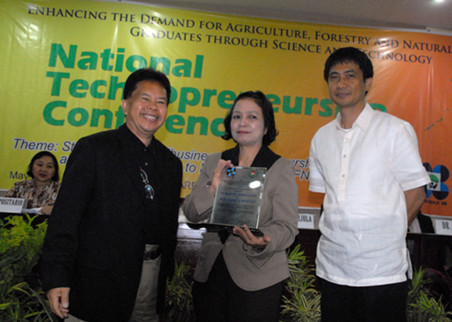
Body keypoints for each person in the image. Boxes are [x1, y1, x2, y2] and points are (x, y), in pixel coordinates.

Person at [40, 68, 183, 322]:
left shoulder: (171, 163)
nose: (153, 107)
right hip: (97, 283)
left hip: (149, 284)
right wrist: (57, 277)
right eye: (145, 99)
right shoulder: (94, 149)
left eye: (161, 102)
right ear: (125, 105)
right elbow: (65, 219)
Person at [308, 47, 431, 322]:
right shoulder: (320, 138)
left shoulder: (394, 129)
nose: (341, 84)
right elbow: (326, 199)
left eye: (350, 76)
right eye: (334, 77)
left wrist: (386, 238)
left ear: (368, 83)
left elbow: (416, 193)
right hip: (332, 267)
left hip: (381, 271)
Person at [183, 91, 299, 322]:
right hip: (212, 270)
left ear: (266, 127)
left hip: (259, 273)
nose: (242, 122)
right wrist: (212, 189)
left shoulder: (280, 167)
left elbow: (286, 226)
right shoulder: (215, 162)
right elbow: (191, 215)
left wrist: (262, 240)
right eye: (237, 116)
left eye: (252, 117)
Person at [6, 151, 60, 215]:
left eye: (49, 166)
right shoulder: (19, 187)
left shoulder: (61, 189)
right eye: (40, 165)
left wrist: (55, 210)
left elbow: (70, 212)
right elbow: (4, 207)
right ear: (31, 167)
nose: (43, 169)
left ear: (54, 171)